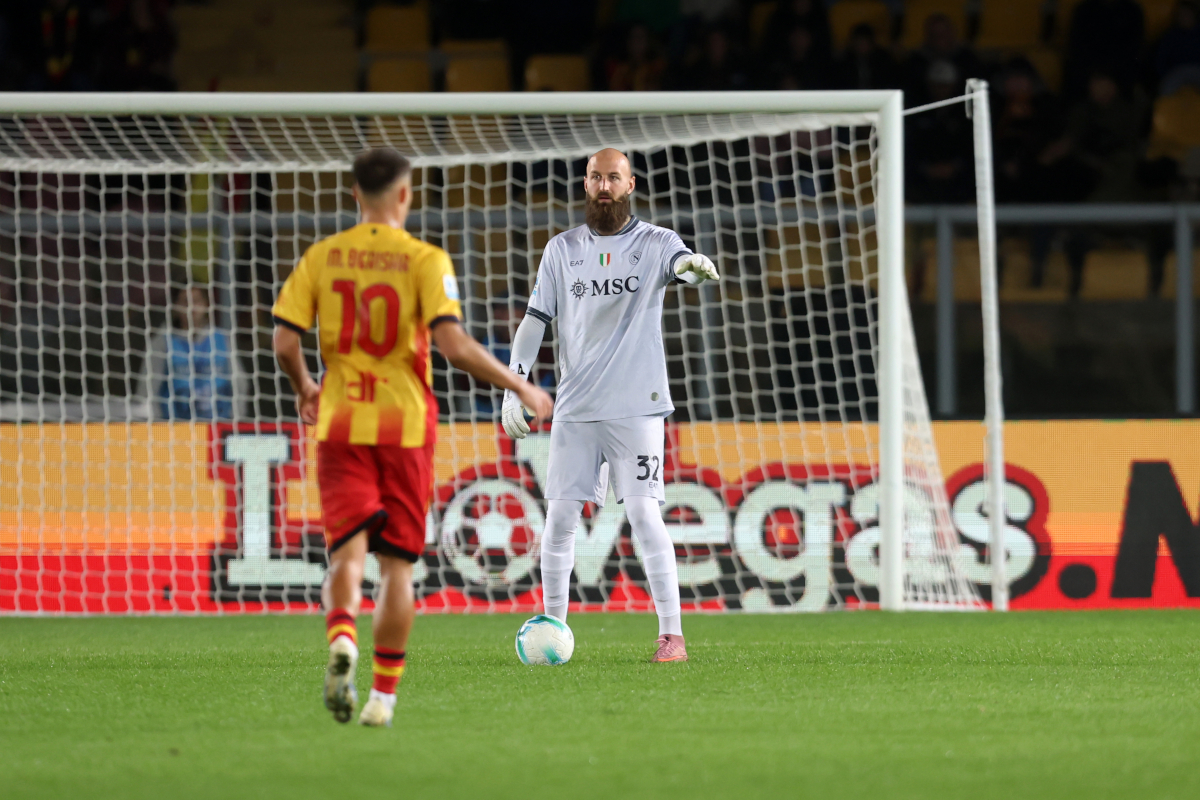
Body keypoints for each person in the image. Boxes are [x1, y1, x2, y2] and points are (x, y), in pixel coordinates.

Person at [271, 148, 553, 728]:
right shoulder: (424, 259)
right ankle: (383, 698)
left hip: (342, 424)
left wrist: (305, 386)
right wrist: (520, 387)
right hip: (404, 428)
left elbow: (283, 339)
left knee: (347, 555)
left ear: (355, 195)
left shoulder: (322, 257)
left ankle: (342, 636)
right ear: (404, 195)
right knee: (398, 568)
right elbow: (453, 346)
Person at [501, 148, 719, 663]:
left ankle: (672, 635)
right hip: (575, 409)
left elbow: (680, 265)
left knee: (644, 514)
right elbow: (535, 320)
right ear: (585, 183)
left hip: (637, 408)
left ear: (630, 184)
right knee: (558, 520)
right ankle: (553, 627)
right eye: (596, 177)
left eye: (613, 178)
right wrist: (515, 382)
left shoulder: (656, 242)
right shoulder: (561, 250)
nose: (604, 186)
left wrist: (689, 267)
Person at [139, 285, 246, 421]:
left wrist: (235, 419)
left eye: (196, 301)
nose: (191, 307)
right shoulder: (162, 342)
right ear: (176, 306)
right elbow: (147, 390)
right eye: (185, 302)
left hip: (218, 426)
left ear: (207, 305)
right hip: (175, 429)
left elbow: (240, 384)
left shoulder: (222, 339)